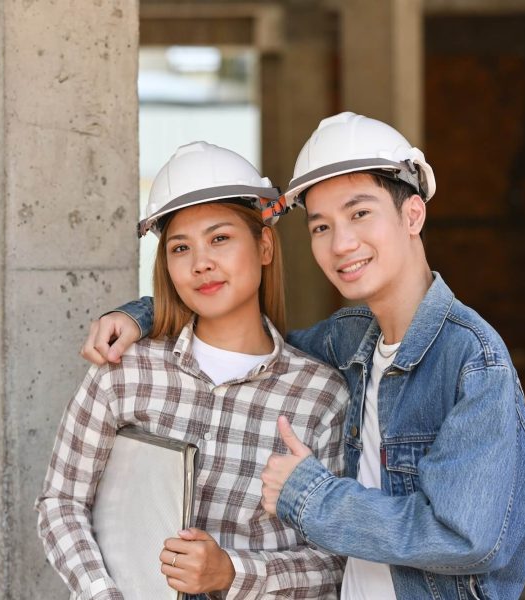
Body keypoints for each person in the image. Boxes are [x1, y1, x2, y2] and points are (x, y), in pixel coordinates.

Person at [80, 113, 525, 600]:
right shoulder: (347, 343)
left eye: (359, 214)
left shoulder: (472, 362)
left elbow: (466, 538)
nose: (341, 243)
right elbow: (237, 326)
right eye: (321, 226)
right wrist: (142, 314)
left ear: (413, 215)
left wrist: (309, 496)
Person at [36, 141, 348, 600]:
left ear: (263, 246)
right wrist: (102, 594)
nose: (201, 262)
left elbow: (333, 563)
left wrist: (231, 573)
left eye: (220, 238)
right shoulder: (126, 372)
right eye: (181, 247)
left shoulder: (320, 396)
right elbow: (61, 503)